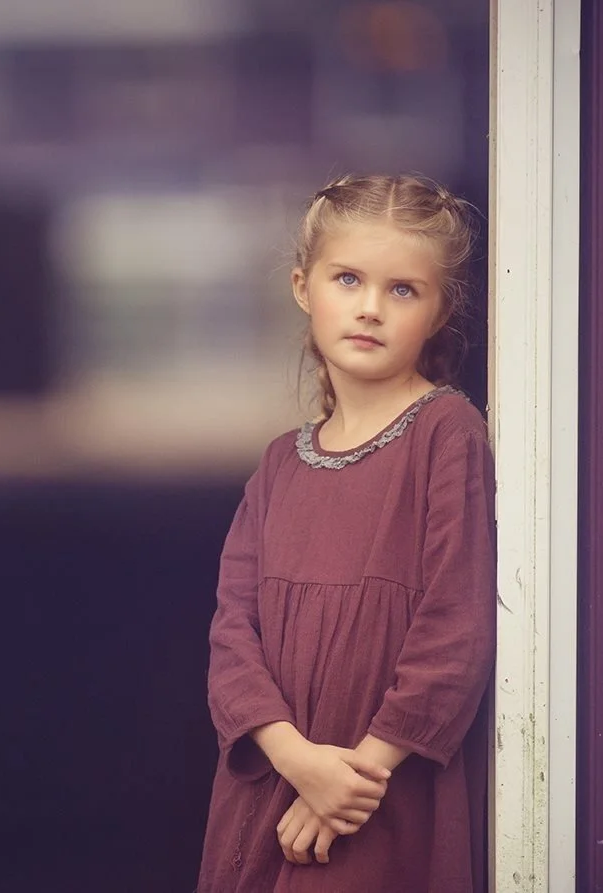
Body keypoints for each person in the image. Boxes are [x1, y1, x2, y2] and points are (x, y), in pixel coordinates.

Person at [196, 174, 495, 892]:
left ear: (439, 309)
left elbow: (455, 629)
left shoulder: (446, 434)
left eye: (402, 289)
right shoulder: (278, 465)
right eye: (349, 278)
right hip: (273, 785)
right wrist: (300, 761)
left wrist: (355, 778)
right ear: (304, 286)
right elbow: (233, 633)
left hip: (381, 800)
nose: (369, 308)